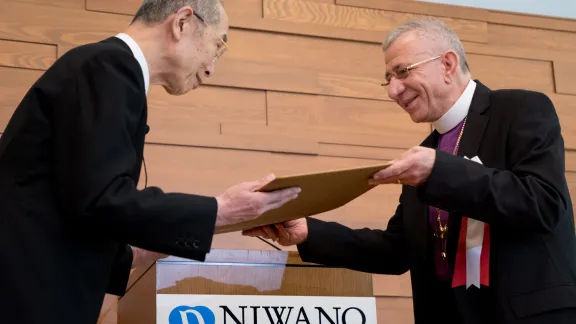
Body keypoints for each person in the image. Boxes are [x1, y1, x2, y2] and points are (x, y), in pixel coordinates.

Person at [243, 17, 576, 324]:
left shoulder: (520, 109)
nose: (393, 90)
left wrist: (439, 171)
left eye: (403, 71)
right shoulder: (427, 154)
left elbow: (544, 203)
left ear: (447, 64)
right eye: (388, 78)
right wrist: (307, 232)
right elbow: (396, 250)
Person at [0, 0, 300, 323]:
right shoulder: (109, 68)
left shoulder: (106, 69)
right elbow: (105, 202)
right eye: (218, 46)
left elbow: (82, 214)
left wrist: (211, 224)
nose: (212, 68)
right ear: (182, 22)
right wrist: (221, 209)